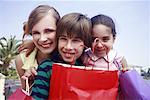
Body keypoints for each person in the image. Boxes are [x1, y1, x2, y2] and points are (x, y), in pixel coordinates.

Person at [31, 13, 92, 100]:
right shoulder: (47, 68)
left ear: (86, 43)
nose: (68, 47)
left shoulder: (86, 67)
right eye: (63, 39)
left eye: (75, 41)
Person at [15, 5, 60, 92]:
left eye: (49, 31)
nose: (42, 38)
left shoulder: (71, 54)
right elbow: (26, 94)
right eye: (36, 33)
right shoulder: (21, 60)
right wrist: (31, 82)